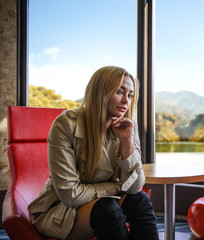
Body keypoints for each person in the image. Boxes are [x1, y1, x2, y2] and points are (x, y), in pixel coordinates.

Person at [28, 66, 159, 240]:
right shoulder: (65, 125)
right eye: (119, 91)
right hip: (61, 211)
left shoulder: (128, 127)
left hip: (105, 201)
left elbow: (135, 187)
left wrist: (126, 142)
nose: (126, 100)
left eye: (130, 94)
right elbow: (70, 195)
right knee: (107, 210)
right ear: (100, 91)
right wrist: (116, 188)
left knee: (140, 200)